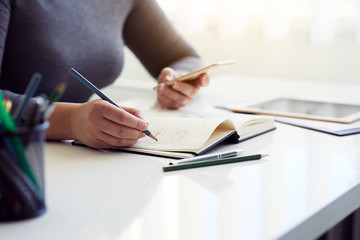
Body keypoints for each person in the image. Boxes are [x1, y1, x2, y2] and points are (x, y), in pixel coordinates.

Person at [0, 0, 209, 149]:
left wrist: (180, 81)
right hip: (16, 161)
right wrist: (71, 121)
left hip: (74, 157)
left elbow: (183, 57)